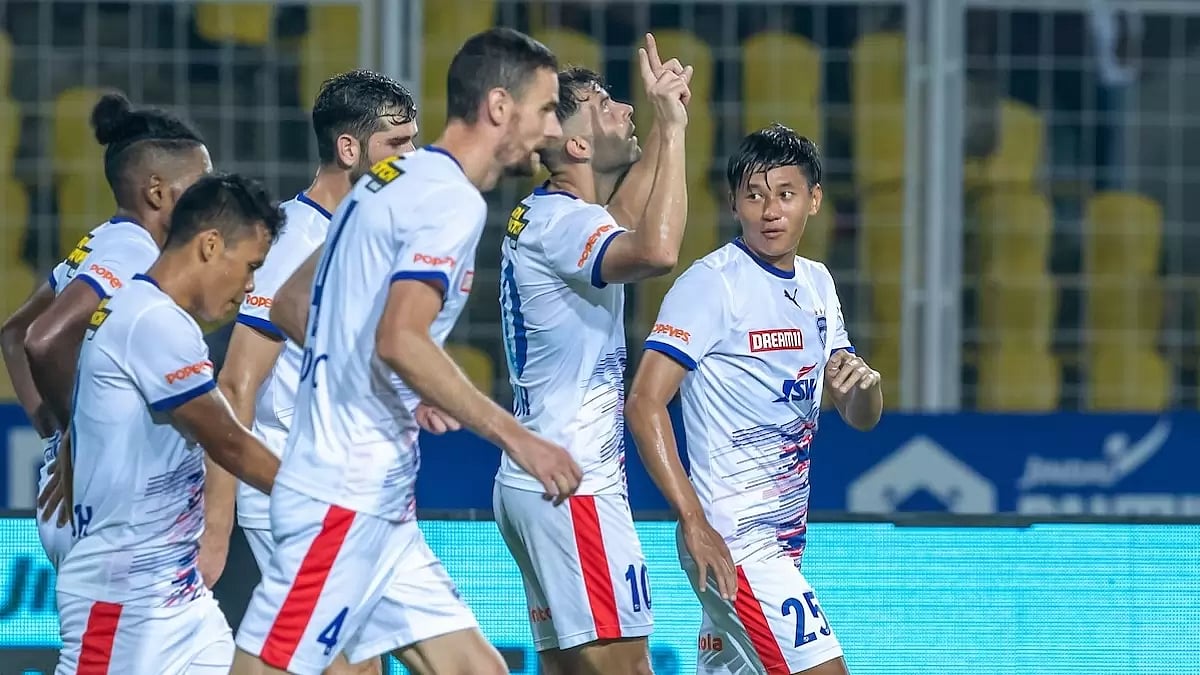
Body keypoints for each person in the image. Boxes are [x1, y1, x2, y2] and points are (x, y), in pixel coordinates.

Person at [232, 27, 579, 675]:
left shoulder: (391, 177)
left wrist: (396, 380)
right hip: (341, 489)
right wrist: (519, 439)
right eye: (545, 109)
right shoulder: (449, 200)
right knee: (267, 666)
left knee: (480, 669)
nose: (553, 129)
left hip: (383, 500)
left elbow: (294, 303)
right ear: (499, 107)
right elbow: (400, 336)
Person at [626, 124, 883, 675]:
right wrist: (692, 520)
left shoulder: (818, 284)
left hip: (782, 544)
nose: (770, 210)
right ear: (733, 202)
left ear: (813, 200)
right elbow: (645, 401)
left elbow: (859, 414)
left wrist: (867, 389)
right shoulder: (712, 284)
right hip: (735, 544)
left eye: (785, 194)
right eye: (754, 195)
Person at [491, 33, 692, 675]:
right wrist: (679, 135)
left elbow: (624, 218)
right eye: (606, 103)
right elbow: (656, 251)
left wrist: (664, 120)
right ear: (576, 145)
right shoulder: (565, 224)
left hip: (536, 481)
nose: (623, 109)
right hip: (576, 486)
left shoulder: (546, 214)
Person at [54, 173, 285, 675]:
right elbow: (228, 441)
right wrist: (322, 497)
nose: (250, 287)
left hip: (179, 599)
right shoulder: (149, 320)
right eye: (250, 267)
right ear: (209, 245)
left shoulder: (146, 315)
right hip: (121, 600)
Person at [0, 91, 211, 568]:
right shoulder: (131, 253)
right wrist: (75, 435)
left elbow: (13, 335)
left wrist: (53, 436)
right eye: (200, 186)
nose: (211, 200)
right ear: (157, 192)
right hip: (103, 499)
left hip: (77, 497)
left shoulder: (102, 238)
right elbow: (41, 338)